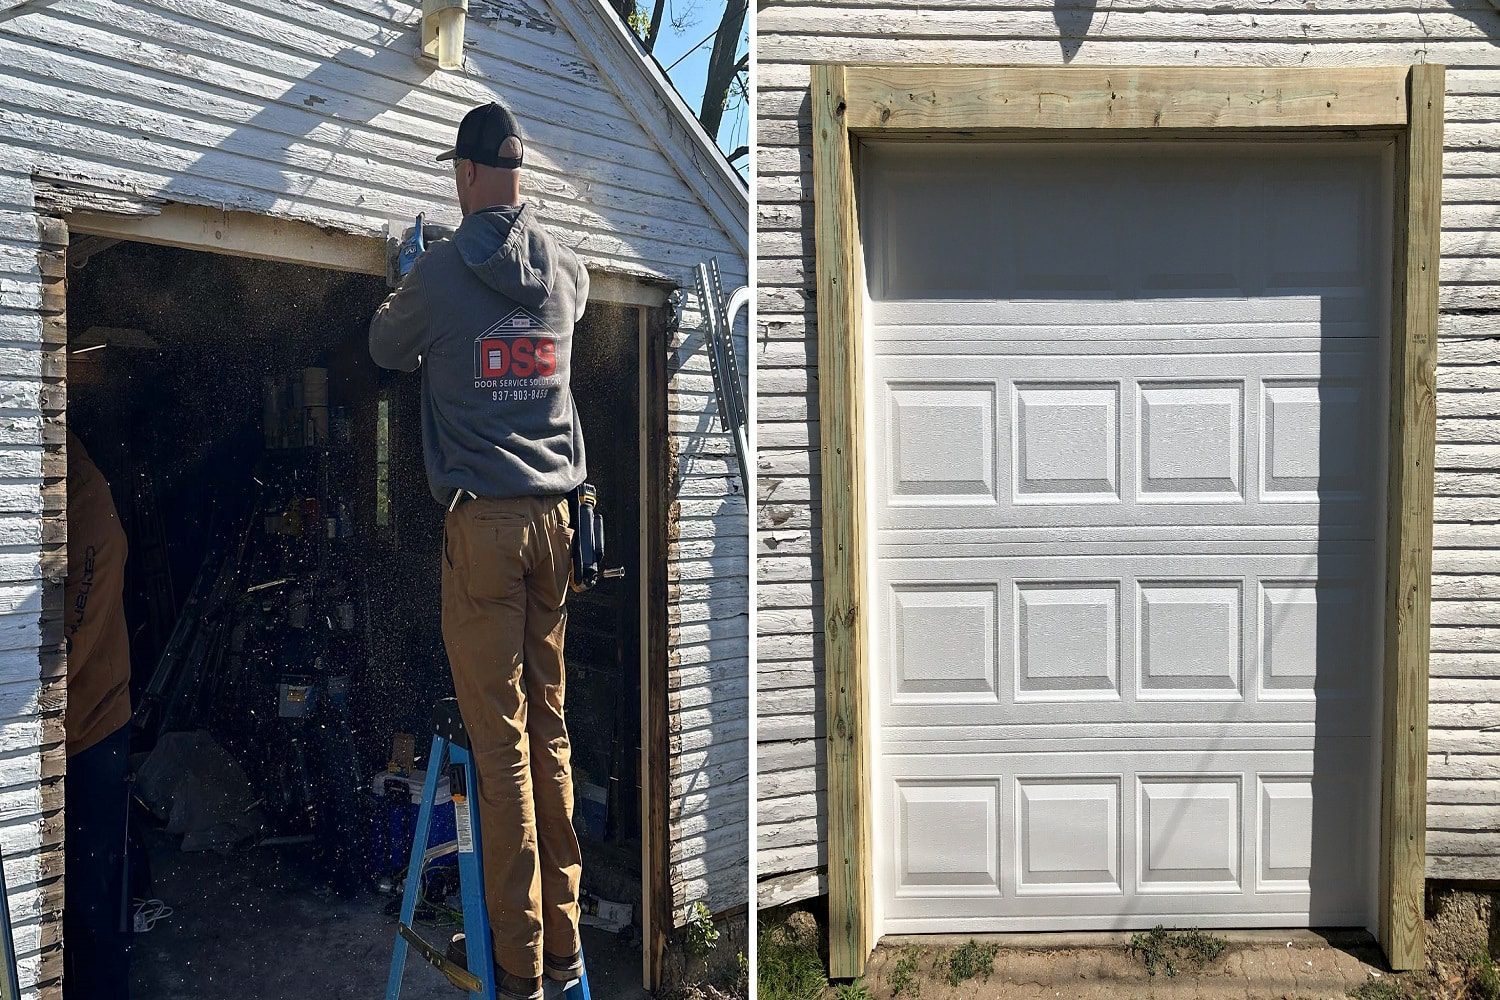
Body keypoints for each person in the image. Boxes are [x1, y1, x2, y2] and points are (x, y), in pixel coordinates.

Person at [369, 101, 589, 1000]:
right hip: (555, 528)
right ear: (519, 175)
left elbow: (387, 346)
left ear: (464, 177)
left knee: (498, 762)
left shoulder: (445, 275)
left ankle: (523, 971)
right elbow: (555, 307)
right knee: (553, 739)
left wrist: (411, 274)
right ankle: (569, 948)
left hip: (486, 535)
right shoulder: (566, 275)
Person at [64, 430, 132, 1000]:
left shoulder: (87, 508)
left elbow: (77, 629)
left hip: (92, 728)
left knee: (91, 888)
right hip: (69, 728)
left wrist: (37, 711)